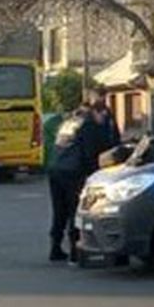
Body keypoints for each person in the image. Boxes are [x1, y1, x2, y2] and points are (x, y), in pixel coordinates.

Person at [48, 106, 107, 263]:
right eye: (101, 113)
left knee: (59, 211)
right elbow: (89, 152)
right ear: (94, 112)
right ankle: (75, 251)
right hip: (73, 172)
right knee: (75, 211)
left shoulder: (67, 124)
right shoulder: (87, 125)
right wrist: (96, 173)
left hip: (55, 169)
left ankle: (55, 248)